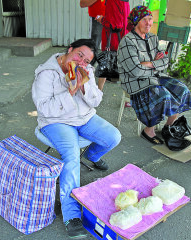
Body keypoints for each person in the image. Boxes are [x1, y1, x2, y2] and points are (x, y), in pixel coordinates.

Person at [32, 39, 121, 239]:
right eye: (79, 55)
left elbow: (96, 100)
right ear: (70, 49)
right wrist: (70, 91)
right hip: (56, 122)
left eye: (87, 60)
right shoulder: (47, 73)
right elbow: (44, 108)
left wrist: (84, 86)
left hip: (84, 118)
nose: (82, 61)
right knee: (71, 157)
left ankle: (92, 156)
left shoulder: (85, 69)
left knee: (113, 137)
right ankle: (71, 216)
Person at [117, 6, 191, 145]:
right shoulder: (127, 42)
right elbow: (136, 71)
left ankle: (168, 127)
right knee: (163, 95)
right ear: (135, 22)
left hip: (155, 77)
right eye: (144, 20)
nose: (148, 23)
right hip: (135, 82)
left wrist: (148, 63)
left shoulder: (152, 37)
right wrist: (155, 63)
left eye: (150, 19)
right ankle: (148, 130)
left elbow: (165, 61)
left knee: (181, 89)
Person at [96, 0, 130, 91]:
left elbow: (114, 24)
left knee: (105, 63)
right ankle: (116, 82)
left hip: (112, 39)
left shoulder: (112, 1)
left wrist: (101, 19)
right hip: (122, 36)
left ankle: (98, 93)